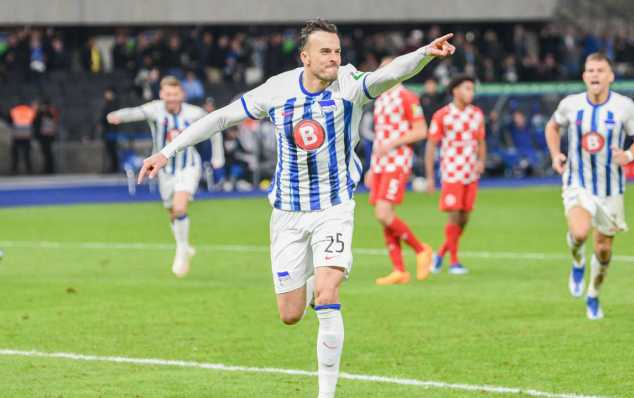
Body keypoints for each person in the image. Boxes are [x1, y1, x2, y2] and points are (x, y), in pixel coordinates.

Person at [136, 19, 455, 398]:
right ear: (305, 56)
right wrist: (166, 152)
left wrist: (423, 55)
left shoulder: (349, 84)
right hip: (287, 212)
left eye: (337, 51)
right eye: (325, 51)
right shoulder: (278, 90)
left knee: (328, 293)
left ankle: (326, 392)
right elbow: (221, 117)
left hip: (334, 207)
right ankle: (315, 277)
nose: (333, 58)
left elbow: (388, 75)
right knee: (290, 314)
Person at [544, 52, 634, 320]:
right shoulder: (571, 104)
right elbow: (552, 128)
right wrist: (556, 154)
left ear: (610, 76)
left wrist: (627, 155)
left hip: (611, 188)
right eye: (590, 70)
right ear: (584, 76)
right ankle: (578, 260)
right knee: (579, 233)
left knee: (603, 248)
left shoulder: (624, 106)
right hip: (577, 182)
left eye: (600, 70)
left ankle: (593, 294)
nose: (595, 75)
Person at [107, 76, 225, 278]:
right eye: (167, 94)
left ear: (182, 95)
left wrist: (218, 158)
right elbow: (135, 112)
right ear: (161, 94)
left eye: (175, 94)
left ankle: (181, 251)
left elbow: (215, 127)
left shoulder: (194, 113)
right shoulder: (155, 109)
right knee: (172, 212)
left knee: (180, 208)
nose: (171, 98)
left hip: (188, 165)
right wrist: (117, 115)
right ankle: (184, 246)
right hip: (164, 170)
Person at [366, 56, 432, 286]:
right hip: (381, 164)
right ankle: (399, 270)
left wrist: (393, 144)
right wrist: (372, 167)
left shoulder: (407, 97)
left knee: (383, 213)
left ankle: (421, 249)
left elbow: (421, 130)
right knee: (385, 217)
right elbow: (380, 137)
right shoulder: (381, 98)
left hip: (397, 162)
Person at [424, 75, 486, 275]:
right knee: (454, 216)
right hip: (451, 172)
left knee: (464, 218)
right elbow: (431, 145)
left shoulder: (476, 114)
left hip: (470, 173)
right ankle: (454, 262)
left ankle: (440, 254)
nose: (471, 93)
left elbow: (481, 141)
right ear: (455, 91)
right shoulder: (442, 115)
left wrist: (481, 161)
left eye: (472, 89)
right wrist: (430, 176)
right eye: (467, 88)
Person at [32, 98, 59, 174]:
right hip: (45, 136)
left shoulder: (48, 112)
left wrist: (38, 111)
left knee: (48, 153)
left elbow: (37, 121)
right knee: (46, 153)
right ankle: (47, 169)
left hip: (47, 136)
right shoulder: (44, 112)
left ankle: (49, 169)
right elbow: (35, 122)